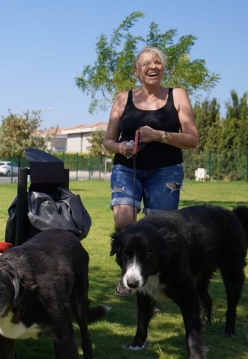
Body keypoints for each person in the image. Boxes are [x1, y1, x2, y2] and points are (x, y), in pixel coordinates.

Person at [103, 46, 199, 297]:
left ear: (163, 68)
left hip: (166, 172)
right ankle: (127, 276)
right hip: (127, 168)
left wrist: (160, 135)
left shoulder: (177, 95)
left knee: (159, 230)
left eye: (157, 62)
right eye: (145, 63)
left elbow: (192, 139)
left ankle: (152, 283)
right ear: (136, 71)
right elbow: (107, 142)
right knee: (124, 222)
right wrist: (121, 148)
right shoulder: (122, 99)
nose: (152, 66)